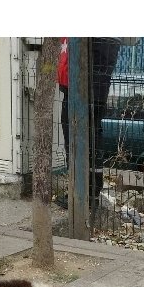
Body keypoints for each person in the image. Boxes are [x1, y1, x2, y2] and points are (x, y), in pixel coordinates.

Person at [58, 37, 122, 204]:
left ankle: (78, 195)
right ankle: (92, 192)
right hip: (97, 90)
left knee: (75, 140)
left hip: (78, 91)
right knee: (94, 138)